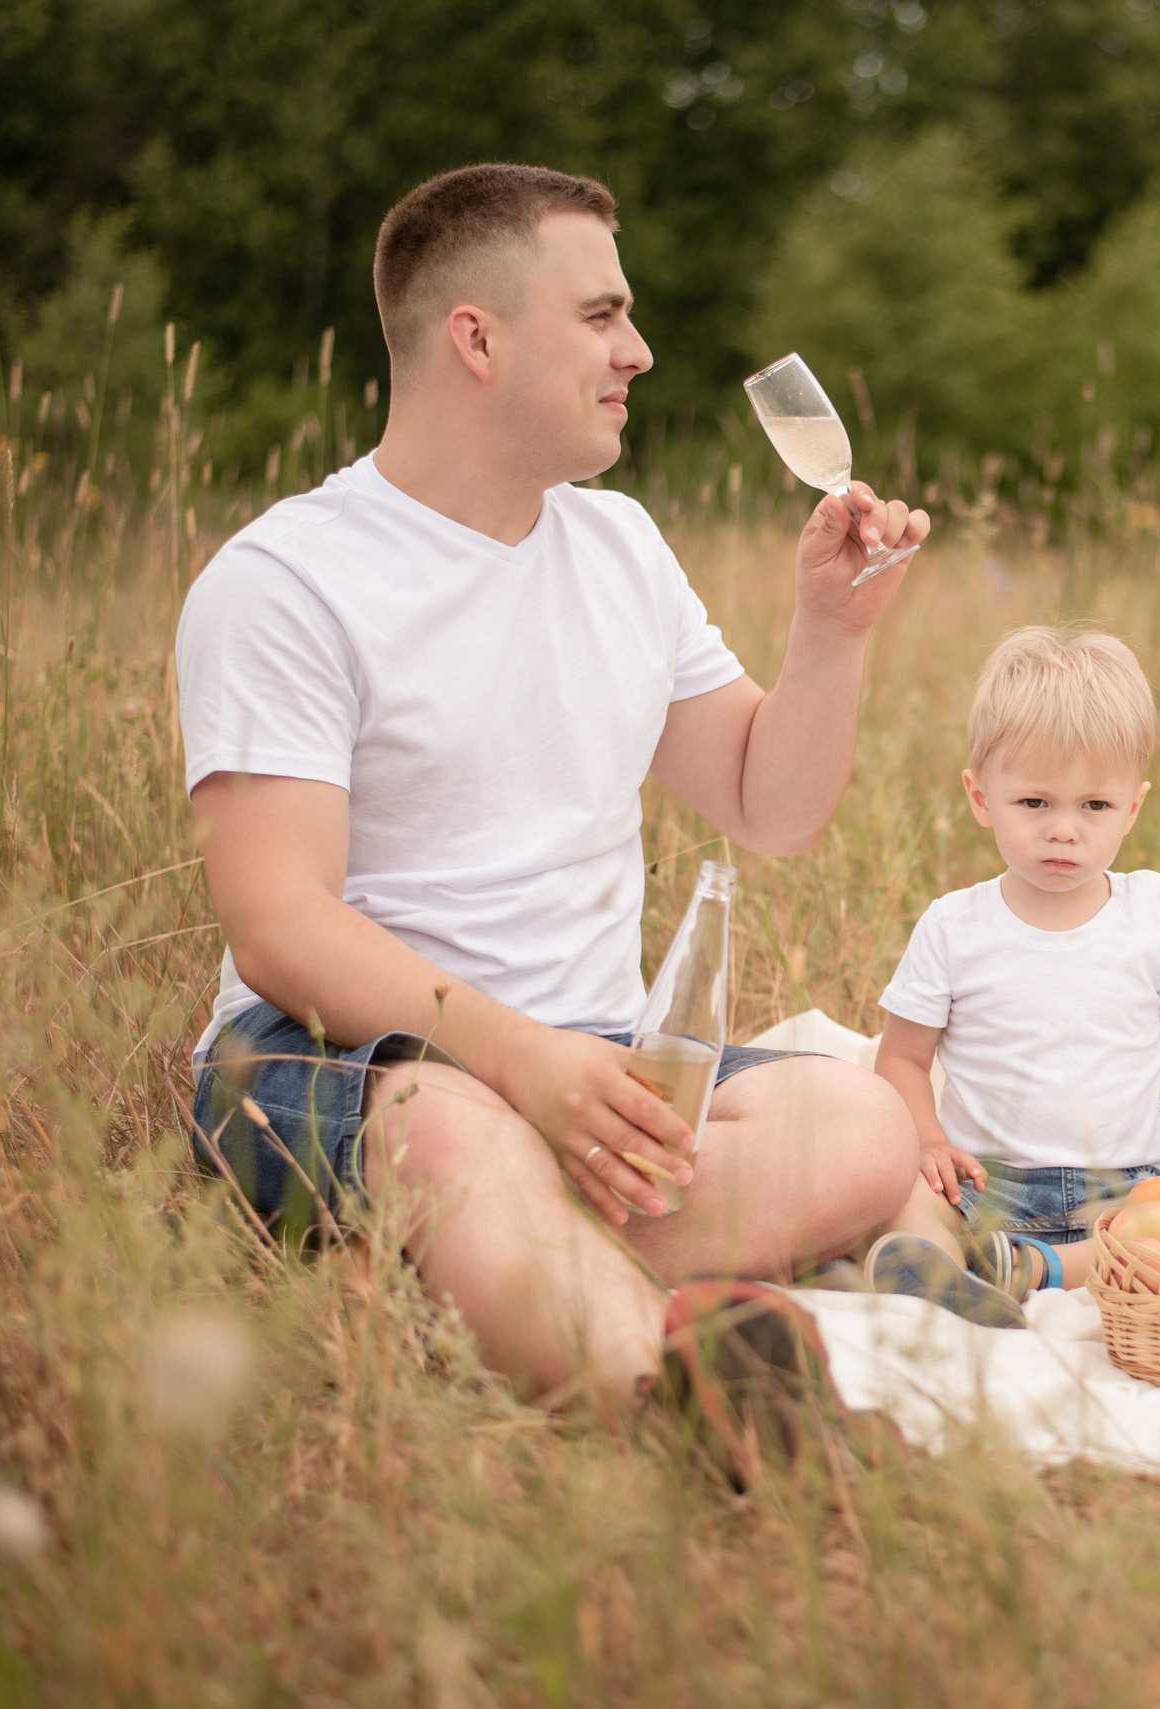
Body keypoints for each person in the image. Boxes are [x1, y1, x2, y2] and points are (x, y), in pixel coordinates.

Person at [178, 163, 928, 1461]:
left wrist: (831, 634)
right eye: (601, 315)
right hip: (345, 1063)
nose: (638, 350)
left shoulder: (621, 548)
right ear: (478, 337)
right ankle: (688, 1400)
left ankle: (465, 1267)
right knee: (453, 1126)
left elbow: (771, 804)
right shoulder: (288, 580)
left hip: (591, 1065)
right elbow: (277, 928)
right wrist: (525, 1064)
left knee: (863, 1121)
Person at [864, 627, 1160, 1325]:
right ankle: (931, 1262)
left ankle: (1032, 1269)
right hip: (990, 1180)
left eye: (1093, 806)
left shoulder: (1151, 912)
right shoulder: (955, 928)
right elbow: (903, 1057)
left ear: (1132, 807)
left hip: (1129, 1183)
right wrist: (927, 1139)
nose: (1064, 829)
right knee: (907, 1193)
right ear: (981, 798)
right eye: (1035, 803)